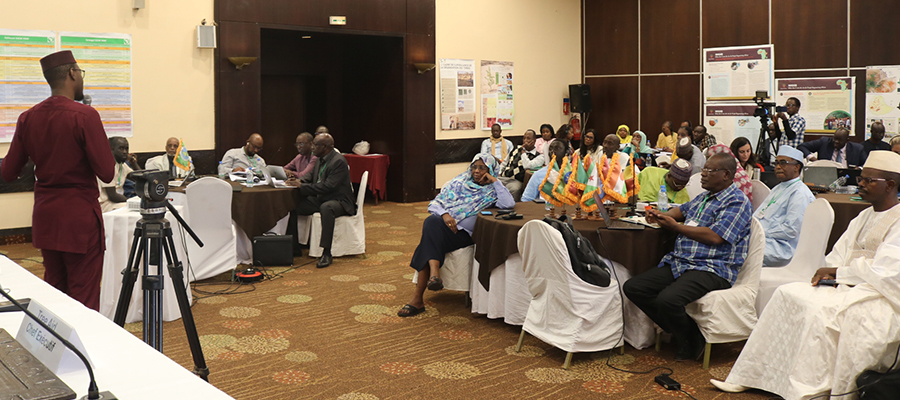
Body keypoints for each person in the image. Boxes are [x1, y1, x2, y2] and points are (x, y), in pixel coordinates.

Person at [711, 151, 900, 399]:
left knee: (820, 312)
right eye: (861, 178)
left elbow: (888, 274)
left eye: (868, 180)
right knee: (786, 294)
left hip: (878, 296)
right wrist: (831, 273)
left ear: (891, 185)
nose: (860, 184)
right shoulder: (863, 216)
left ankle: (805, 390)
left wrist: (840, 273)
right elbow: (836, 256)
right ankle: (752, 375)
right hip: (845, 284)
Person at [0, 50, 115, 310]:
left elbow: (7, 172)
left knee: (54, 294)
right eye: (80, 73)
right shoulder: (85, 115)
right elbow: (107, 172)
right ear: (73, 74)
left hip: (46, 218)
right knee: (83, 298)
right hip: (79, 219)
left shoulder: (27, 117)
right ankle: (82, 350)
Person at [624, 153, 752, 360]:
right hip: (682, 262)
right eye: (703, 170)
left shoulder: (737, 202)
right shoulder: (705, 197)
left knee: (668, 300)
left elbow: (715, 237)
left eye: (709, 171)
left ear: (726, 175)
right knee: (634, 288)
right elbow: (681, 210)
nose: (702, 175)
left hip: (713, 267)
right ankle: (690, 333)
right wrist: (661, 215)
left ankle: (686, 339)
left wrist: (677, 228)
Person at [398, 153, 514, 317]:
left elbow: (508, 204)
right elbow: (436, 203)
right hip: (444, 229)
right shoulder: (460, 183)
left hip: (464, 236)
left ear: (490, 170)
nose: (476, 171)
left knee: (427, 240)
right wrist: (445, 214)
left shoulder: (492, 191)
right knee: (431, 222)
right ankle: (433, 275)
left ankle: (419, 297)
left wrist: (495, 181)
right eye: (474, 167)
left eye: (482, 168)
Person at [286, 134, 355, 268]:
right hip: (322, 198)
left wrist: (303, 187)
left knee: (327, 208)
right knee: (292, 205)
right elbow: (311, 176)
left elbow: (329, 186)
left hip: (339, 200)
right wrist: (299, 181)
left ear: (324, 147)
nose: (312, 147)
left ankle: (326, 253)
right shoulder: (320, 159)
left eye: (315, 145)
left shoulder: (338, 161)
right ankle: (294, 247)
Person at [753, 146, 815, 267]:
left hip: (782, 248)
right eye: (776, 163)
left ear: (797, 167)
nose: (777, 167)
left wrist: (759, 232)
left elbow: (790, 231)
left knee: (739, 250)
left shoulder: (800, 193)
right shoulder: (779, 187)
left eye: (783, 163)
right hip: (765, 239)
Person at [498, 129, 544, 200]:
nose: (525, 140)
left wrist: (523, 153)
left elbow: (527, 166)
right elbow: (504, 162)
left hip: (517, 181)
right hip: (504, 177)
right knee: (490, 183)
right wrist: (499, 172)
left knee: (515, 189)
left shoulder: (539, 156)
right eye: (524, 138)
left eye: (528, 138)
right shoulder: (516, 148)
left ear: (534, 141)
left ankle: (511, 208)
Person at [97, 136, 136, 212]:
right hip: (105, 204)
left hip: (117, 202)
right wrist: (133, 202)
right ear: (111, 149)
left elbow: (139, 178)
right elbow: (112, 196)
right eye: (121, 148)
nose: (125, 152)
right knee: (135, 210)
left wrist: (133, 162)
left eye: (126, 149)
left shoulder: (121, 164)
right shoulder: (106, 165)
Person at [798, 127, 865, 168]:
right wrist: (812, 158)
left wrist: (858, 169)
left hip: (847, 179)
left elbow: (865, 164)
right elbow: (802, 146)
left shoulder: (857, 149)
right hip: (825, 177)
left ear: (847, 140)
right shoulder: (824, 142)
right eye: (835, 139)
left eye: (839, 140)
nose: (836, 142)